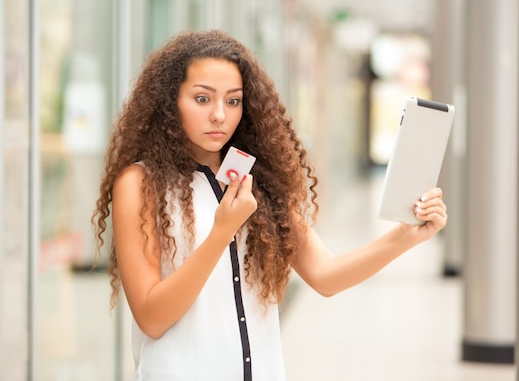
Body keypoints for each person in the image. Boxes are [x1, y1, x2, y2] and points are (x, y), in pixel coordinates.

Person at [91, 29, 447, 381]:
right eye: (202, 99)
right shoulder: (139, 184)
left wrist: (406, 237)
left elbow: (326, 276)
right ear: (170, 102)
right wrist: (221, 232)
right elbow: (152, 317)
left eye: (233, 101)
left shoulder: (256, 180)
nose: (219, 115)